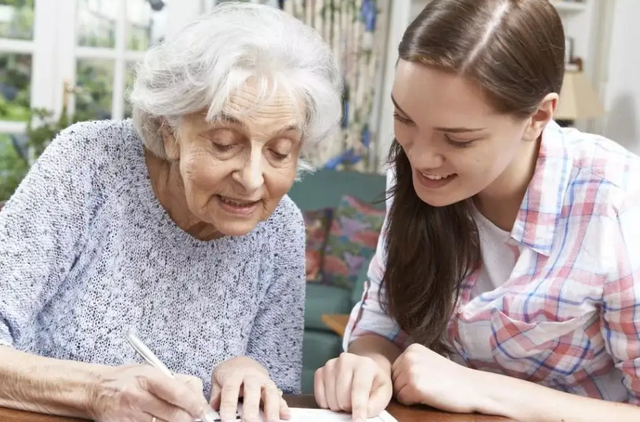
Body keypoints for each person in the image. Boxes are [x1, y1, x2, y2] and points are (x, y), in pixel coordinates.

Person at [0, 3, 342, 422]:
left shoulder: (281, 226)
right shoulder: (87, 162)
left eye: (279, 151)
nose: (254, 179)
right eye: (223, 143)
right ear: (170, 132)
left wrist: (251, 374)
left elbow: (276, 391)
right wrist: (94, 390)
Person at [314, 0, 640, 421]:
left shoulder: (614, 202)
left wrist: (479, 388)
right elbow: (379, 326)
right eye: (404, 118)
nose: (422, 158)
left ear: (538, 116)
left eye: (458, 139)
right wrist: (369, 366)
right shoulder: (416, 171)